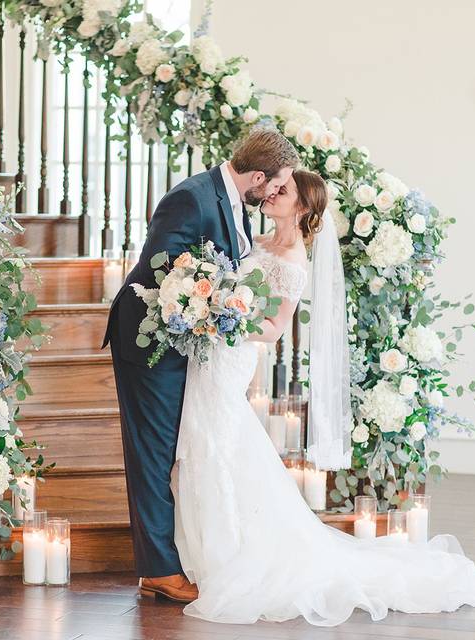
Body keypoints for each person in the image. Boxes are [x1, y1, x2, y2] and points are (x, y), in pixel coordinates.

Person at [170, 169, 475, 625]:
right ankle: (200, 553)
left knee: (215, 444)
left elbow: (272, 330)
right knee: (203, 442)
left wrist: (222, 317)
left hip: (233, 354)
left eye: (283, 190)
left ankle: (225, 556)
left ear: (303, 208)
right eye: (273, 186)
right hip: (213, 351)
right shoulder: (256, 239)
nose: (271, 191)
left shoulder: (292, 261)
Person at [102, 128, 300, 603]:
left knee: (177, 449)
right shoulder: (190, 198)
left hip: (188, 344)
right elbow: (160, 270)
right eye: (274, 186)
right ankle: (159, 570)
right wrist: (209, 306)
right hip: (149, 339)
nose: (273, 194)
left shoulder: (238, 205)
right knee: (153, 452)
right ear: (257, 176)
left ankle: (178, 556)